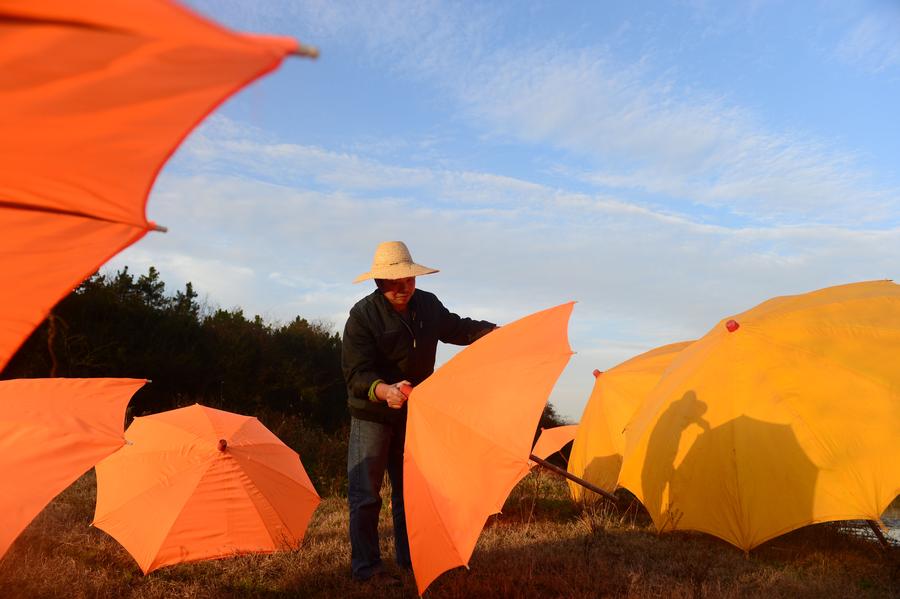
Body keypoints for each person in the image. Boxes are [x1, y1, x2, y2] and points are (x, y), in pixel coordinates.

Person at [341, 240, 496, 582]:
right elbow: (356, 375)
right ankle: (367, 568)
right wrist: (385, 391)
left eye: (409, 279)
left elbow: (458, 328)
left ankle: (412, 559)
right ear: (379, 282)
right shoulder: (362, 316)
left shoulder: (428, 305)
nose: (405, 287)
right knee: (366, 494)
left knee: (409, 491)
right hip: (372, 414)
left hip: (414, 413)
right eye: (395, 282)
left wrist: (495, 333)